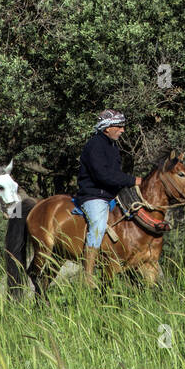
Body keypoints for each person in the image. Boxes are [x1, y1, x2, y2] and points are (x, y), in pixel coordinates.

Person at [77, 109, 140, 285]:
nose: (122, 130)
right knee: (97, 225)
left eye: (122, 126)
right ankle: (88, 274)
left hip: (111, 194)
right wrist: (132, 180)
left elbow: (113, 175)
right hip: (94, 195)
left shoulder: (112, 146)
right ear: (107, 128)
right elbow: (102, 175)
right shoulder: (95, 145)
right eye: (119, 126)